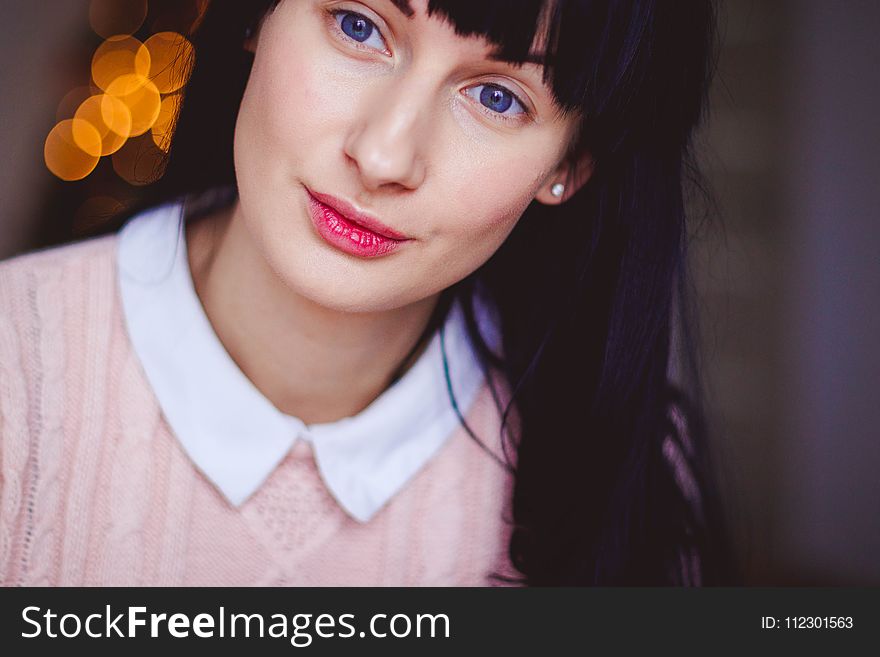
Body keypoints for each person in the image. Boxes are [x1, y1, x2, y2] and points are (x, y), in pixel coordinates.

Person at [0, 0, 739, 585]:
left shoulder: (613, 487)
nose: (384, 154)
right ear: (261, 13)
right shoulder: (17, 375)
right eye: (359, 27)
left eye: (497, 97)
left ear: (569, 166)